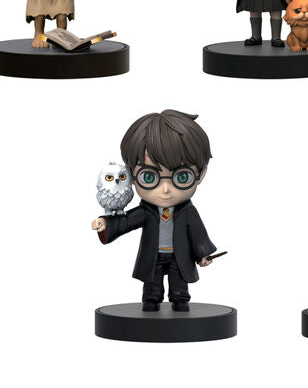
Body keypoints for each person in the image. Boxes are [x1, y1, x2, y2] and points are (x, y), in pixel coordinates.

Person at [91, 110, 216, 312]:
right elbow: (126, 221)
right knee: (152, 285)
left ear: (200, 175)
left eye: (182, 177)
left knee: (179, 285)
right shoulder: (146, 211)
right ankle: (151, 302)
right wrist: (106, 223)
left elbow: (198, 234)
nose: (165, 190)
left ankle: (180, 302)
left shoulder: (188, 212)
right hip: (153, 255)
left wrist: (203, 254)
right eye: (149, 177)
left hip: (179, 255)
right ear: (131, 175)